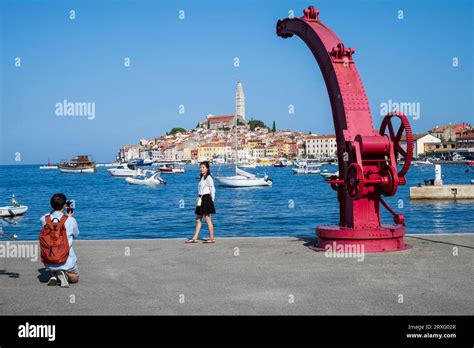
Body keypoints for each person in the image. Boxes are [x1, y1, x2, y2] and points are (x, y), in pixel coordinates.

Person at [40, 193, 80, 288]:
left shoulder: (43, 219)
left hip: (48, 260)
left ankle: (54, 274)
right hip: (66, 260)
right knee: (75, 278)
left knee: (53, 264)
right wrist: (70, 217)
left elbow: (49, 217)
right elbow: (76, 234)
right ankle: (64, 274)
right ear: (65, 205)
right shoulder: (70, 220)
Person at [186, 161, 216, 243]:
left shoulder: (209, 178)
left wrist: (212, 201)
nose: (201, 169)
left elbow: (212, 189)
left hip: (206, 198)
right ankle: (195, 238)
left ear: (207, 168)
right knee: (198, 219)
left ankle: (212, 238)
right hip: (200, 198)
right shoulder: (202, 177)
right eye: (200, 167)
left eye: (203, 167)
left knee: (207, 219)